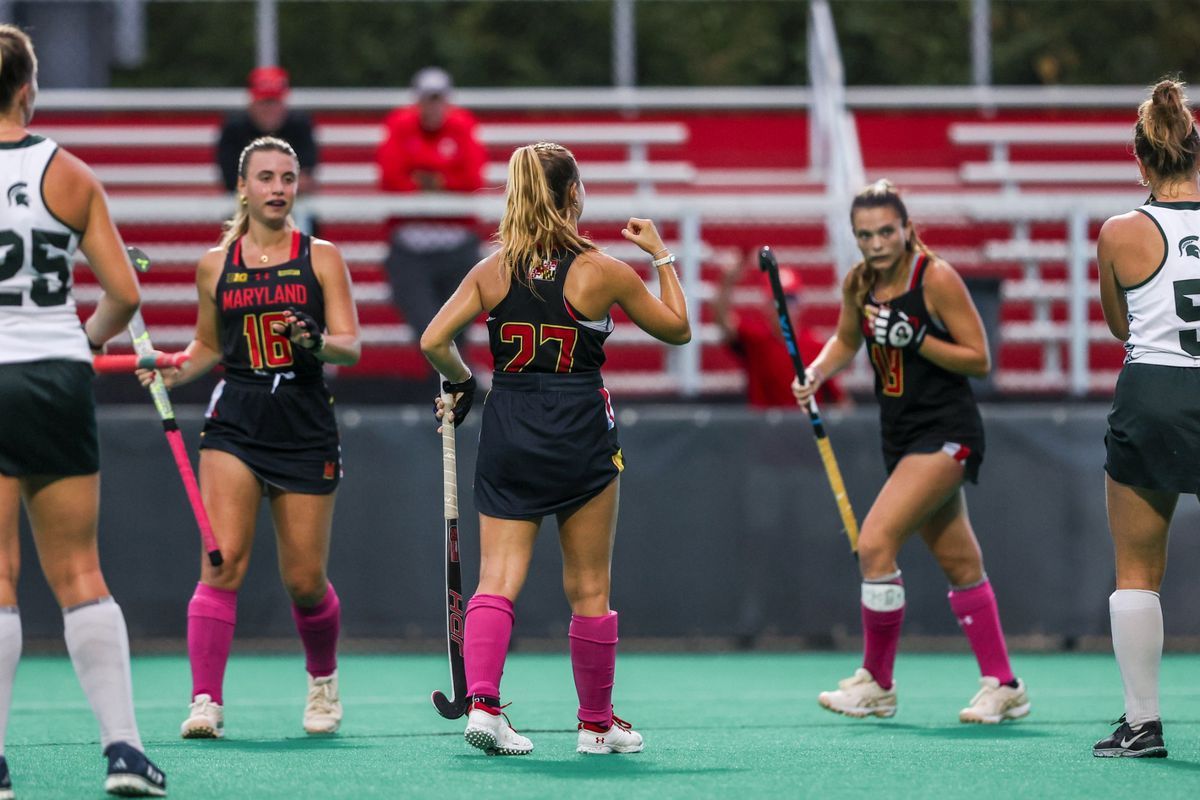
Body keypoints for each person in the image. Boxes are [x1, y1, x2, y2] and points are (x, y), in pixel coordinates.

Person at [420, 142, 690, 756]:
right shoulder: (602, 268)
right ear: (574, 195)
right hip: (579, 425)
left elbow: (434, 339)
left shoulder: (492, 269)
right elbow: (678, 328)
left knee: (498, 576)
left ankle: (484, 706)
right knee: (589, 585)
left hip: (509, 421)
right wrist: (662, 257)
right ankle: (596, 726)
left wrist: (462, 383)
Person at [138, 137, 360, 740]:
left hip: (304, 419)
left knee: (304, 580)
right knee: (223, 561)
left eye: (287, 178)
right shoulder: (217, 263)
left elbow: (351, 343)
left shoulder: (322, 256)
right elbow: (208, 346)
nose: (277, 188)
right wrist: (171, 366)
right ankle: (205, 699)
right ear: (243, 187)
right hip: (236, 417)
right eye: (265, 177)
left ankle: (322, 680)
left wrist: (314, 339)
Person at [0, 24, 167, 797]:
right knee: (79, 569)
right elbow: (125, 295)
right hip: (55, 376)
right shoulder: (69, 173)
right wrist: (78, 338)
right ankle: (124, 752)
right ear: (29, 88)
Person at [793, 179, 1029, 724]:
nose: (875, 243)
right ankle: (1005, 684)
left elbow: (979, 358)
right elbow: (847, 340)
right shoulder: (859, 283)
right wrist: (817, 372)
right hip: (898, 436)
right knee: (960, 562)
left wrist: (916, 337)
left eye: (885, 231)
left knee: (875, 543)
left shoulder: (936, 277)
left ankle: (878, 682)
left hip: (946, 431)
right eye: (864, 234)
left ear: (905, 229)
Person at [1091, 78, 1200, 759]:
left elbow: (1117, 324)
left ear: (1140, 161)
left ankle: (1142, 725)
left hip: (1155, 391)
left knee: (1136, 570)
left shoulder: (1121, 232)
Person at [377, 66, 486, 364]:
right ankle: (455, 382)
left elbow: (472, 181)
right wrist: (444, 177)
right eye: (427, 98)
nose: (433, 106)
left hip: (457, 244)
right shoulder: (400, 126)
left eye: (438, 99)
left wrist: (427, 178)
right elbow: (391, 179)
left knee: (456, 327)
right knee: (430, 328)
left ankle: (456, 389)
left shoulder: (462, 126)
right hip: (412, 247)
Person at [713, 259, 849, 408]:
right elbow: (723, 322)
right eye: (778, 300)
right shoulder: (756, 339)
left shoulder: (816, 346)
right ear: (767, 306)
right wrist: (727, 283)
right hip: (765, 429)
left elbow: (840, 400)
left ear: (800, 304)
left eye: (790, 299)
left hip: (804, 428)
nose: (785, 307)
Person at [217, 67, 319, 197]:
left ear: (284, 103)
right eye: (264, 103)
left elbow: (305, 180)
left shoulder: (300, 127)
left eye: (274, 102)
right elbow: (232, 181)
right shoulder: (234, 129)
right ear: (252, 103)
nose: (269, 110)